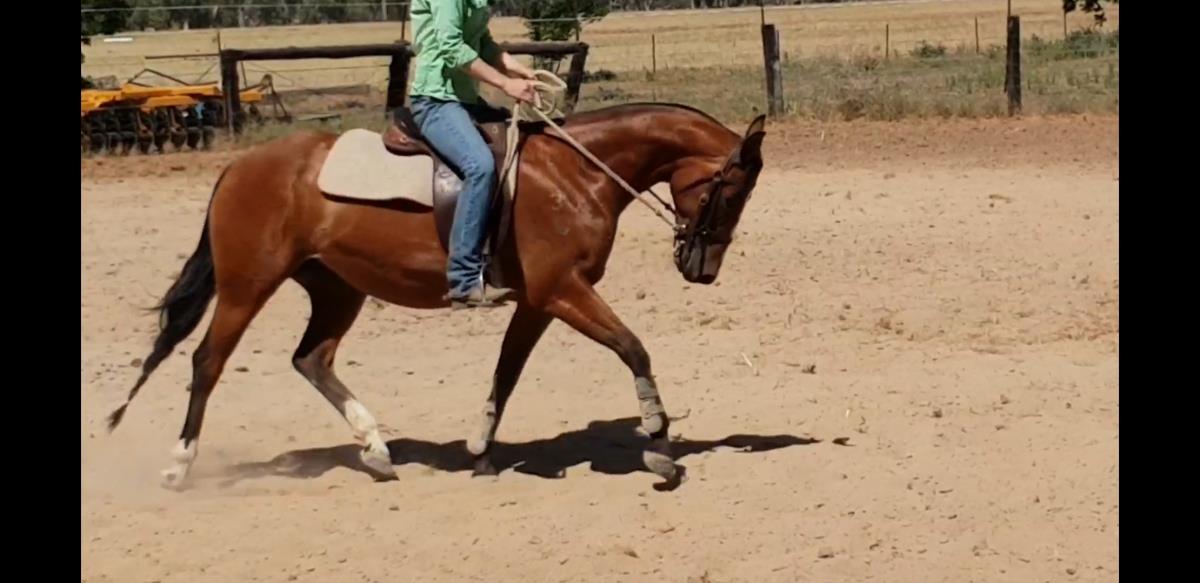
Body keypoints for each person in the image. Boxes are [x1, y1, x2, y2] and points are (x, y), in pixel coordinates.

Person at [409, 0, 540, 309]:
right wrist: (505, 84)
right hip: (435, 101)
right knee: (479, 166)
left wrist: (515, 67)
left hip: (464, 99)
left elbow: (483, 43)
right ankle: (464, 279)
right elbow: (452, 48)